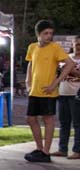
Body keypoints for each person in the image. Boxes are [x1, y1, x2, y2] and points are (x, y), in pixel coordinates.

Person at [24, 20, 76, 162]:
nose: (49, 36)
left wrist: (55, 83)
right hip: (34, 90)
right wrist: (28, 83)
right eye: (45, 33)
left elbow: (70, 64)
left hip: (48, 91)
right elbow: (30, 64)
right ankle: (40, 148)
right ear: (38, 34)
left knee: (48, 119)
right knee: (31, 119)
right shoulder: (32, 47)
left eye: (51, 33)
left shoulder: (55, 48)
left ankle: (46, 151)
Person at [51, 38, 80, 158]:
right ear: (73, 44)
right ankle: (62, 149)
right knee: (64, 123)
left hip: (77, 94)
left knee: (77, 124)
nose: (78, 46)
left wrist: (71, 70)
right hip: (63, 93)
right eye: (76, 44)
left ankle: (77, 150)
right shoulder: (66, 58)